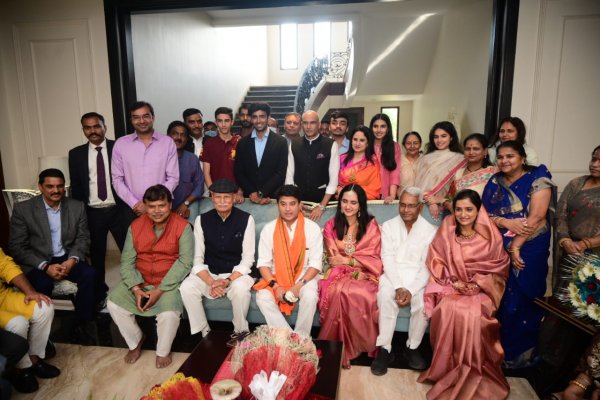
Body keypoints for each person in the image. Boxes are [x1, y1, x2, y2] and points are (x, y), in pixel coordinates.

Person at [417, 189, 510, 399]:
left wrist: (478, 284)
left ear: (478, 210)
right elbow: (436, 258)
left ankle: (472, 369)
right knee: (447, 307)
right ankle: (447, 369)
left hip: (483, 290)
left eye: (469, 209)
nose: (463, 214)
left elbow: (499, 267)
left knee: (472, 313)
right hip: (452, 286)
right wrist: (454, 281)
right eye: (458, 209)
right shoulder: (448, 228)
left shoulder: (490, 235)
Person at [482, 140, 556, 368]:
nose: (504, 161)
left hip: (530, 245)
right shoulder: (495, 181)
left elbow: (537, 217)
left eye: (510, 156)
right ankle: (497, 350)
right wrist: (504, 222)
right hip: (498, 245)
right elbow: (483, 215)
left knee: (524, 296)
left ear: (522, 158)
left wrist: (515, 246)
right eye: (500, 157)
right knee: (501, 297)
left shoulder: (538, 178)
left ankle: (520, 355)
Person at [107, 185, 193, 369]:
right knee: (113, 302)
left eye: (161, 205)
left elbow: (185, 262)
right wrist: (135, 288)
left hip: (168, 283)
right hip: (140, 279)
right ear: (145, 206)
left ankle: (163, 351)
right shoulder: (135, 226)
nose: (157, 211)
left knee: (169, 314)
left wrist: (160, 289)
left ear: (170, 205)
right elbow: (127, 261)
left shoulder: (183, 227)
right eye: (151, 206)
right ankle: (136, 340)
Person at [9, 168, 97, 344]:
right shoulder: (23, 209)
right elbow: (17, 247)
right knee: (43, 283)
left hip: (66, 256)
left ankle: (82, 323)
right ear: (41, 187)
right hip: (37, 259)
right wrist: (44, 266)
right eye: (50, 186)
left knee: (90, 275)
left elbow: (83, 238)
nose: (56, 190)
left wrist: (71, 261)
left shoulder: (76, 206)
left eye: (60, 186)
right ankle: (41, 332)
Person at [179, 179, 255, 346]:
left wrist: (227, 280)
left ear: (234, 198)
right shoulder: (201, 220)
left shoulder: (246, 219)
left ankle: (241, 332)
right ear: (212, 197)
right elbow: (197, 259)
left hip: (235, 274)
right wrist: (212, 282)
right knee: (186, 287)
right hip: (210, 273)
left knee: (241, 289)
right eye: (218, 197)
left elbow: (247, 259)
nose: (222, 201)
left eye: (226, 197)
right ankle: (205, 332)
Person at [371, 187, 437, 376]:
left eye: (411, 206)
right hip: (393, 275)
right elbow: (387, 258)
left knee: (422, 303)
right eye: (402, 205)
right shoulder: (389, 226)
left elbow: (427, 266)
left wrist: (411, 289)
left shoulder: (430, 230)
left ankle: (412, 347)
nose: (406, 210)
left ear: (420, 207)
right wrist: (399, 286)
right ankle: (384, 349)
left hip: (418, 278)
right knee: (385, 296)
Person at [318, 184, 383, 368]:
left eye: (353, 203)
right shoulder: (331, 225)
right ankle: (338, 347)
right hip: (337, 273)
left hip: (366, 273)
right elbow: (334, 259)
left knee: (363, 294)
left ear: (360, 205)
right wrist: (349, 263)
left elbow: (374, 257)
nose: (348, 206)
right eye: (344, 201)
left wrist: (349, 261)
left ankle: (358, 345)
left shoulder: (370, 226)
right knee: (338, 290)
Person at [69, 111, 129, 309]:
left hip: (118, 210)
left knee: (130, 254)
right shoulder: (76, 154)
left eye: (96, 126)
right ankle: (100, 295)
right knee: (96, 257)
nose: (92, 131)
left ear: (105, 127)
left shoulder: (119, 148)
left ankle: (134, 291)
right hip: (92, 213)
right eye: (88, 127)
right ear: (83, 130)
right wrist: (78, 217)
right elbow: (77, 187)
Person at [254, 185, 323, 337]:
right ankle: (288, 337)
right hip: (276, 277)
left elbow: (315, 264)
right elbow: (263, 264)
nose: (288, 209)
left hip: (304, 277)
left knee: (310, 296)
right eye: (283, 204)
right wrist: (275, 286)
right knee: (262, 297)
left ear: (300, 205)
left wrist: (299, 286)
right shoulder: (269, 229)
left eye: (292, 204)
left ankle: (302, 336)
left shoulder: (312, 228)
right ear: (277, 205)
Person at [0, 248, 58, 394]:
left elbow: (5, 265)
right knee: (18, 323)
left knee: (44, 307)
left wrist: (30, 291)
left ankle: (34, 360)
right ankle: (20, 370)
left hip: (2, 295)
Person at [111, 101, 179, 219]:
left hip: (160, 208)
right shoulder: (121, 144)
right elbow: (117, 180)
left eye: (146, 116)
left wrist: (153, 203)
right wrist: (135, 203)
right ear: (131, 120)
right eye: (136, 117)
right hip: (131, 209)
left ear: (153, 117)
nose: (141, 121)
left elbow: (173, 178)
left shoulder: (167, 143)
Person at [286, 110, 339, 221]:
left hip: (323, 202)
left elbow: (334, 179)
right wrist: (295, 201)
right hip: (299, 201)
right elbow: (289, 176)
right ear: (302, 125)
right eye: (305, 123)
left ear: (319, 124)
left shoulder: (330, 144)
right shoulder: (294, 144)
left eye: (312, 123)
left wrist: (322, 206)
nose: (308, 127)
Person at [234, 102, 289, 204]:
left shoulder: (281, 142)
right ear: (251, 119)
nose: (258, 121)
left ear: (268, 118)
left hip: (271, 197)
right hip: (248, 198)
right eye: (255, 117)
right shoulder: (242, 143)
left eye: (262, 116)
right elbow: (239, 171)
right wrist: (252, 192)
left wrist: (262, 192)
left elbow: (281, 172)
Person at [555, 145, 600, 262]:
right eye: (594, 159)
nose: (595, 164)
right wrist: (565, 240)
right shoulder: (576, 183)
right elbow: (560, 214)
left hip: (594, 253)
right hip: (568, 247)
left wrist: (585, 244)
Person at [414, 121, 465, 225]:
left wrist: (441, 200)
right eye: (436, 137)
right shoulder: (426, 158)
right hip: (425, 204)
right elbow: (419, 185)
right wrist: (431, 201)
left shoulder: (460, 159)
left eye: (443, 136)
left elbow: (459, 184)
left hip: (449, 206)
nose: (439, 140)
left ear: (451, 137)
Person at [439, 133, 497, 211]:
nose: (471, 152)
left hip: (485, 216)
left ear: (485, 151)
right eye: (467, 149)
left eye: (476, 149)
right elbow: (449, 198)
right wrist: (447, 203)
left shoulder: (492, 172)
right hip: (460, 215)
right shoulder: (458, 173)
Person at [202, 107, 244, 203]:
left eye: (227, 121)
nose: (224, 124)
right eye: (220, 121)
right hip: (215, 194)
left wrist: (240, 191)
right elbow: (206, 172)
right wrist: (213, 192)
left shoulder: (240, 142)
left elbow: (245, 170)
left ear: (232, 122)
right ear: (216, 122)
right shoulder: (209, 144)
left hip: (235, 195)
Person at [166, 121, 204, 223]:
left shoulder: (192, 159)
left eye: (183, 135)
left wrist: (186, 203)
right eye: (175, 134)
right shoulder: (160, 158)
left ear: (187, 139)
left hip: (187, 205)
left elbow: (199, 186)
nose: (179, 138)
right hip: (162, 207)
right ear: (168, 136)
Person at [337, 125, 381, 200]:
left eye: (362, 140)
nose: (357, 143)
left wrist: (351, 192)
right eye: (355, 139)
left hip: (363, 201)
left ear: (368, 143)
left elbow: (374, 189)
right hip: (342, 200)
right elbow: (333, 182)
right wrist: (338, 189)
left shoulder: (372, 162)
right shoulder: (342, 159)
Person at [370, 114, 401, 203]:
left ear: (388, 129)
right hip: (368, 192)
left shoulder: (394, 146)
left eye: (383, 126)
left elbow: (395, 172)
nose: (379, 130)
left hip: (386, 193)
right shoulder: (366, 145)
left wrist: (392, 195)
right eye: (375, 126)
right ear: (371, 128)